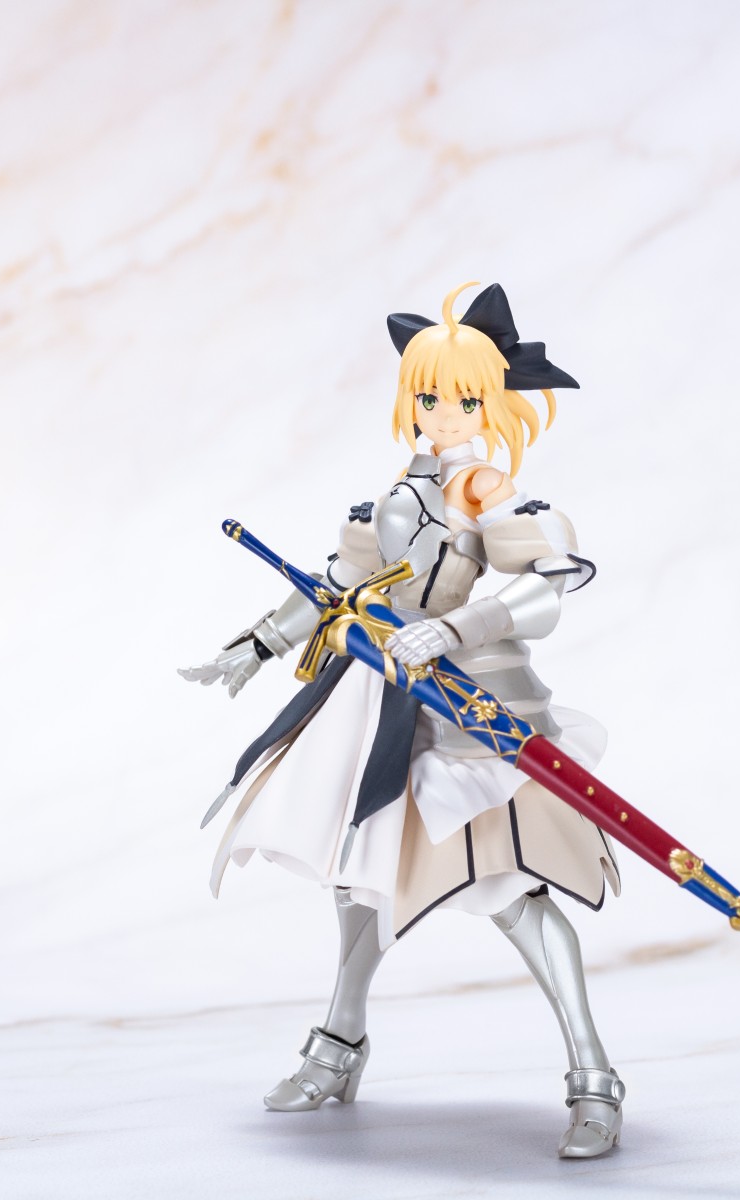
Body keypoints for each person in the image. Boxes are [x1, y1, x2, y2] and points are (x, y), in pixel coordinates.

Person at [179, 281, 625, 1158]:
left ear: (491, 404)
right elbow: (338, 588)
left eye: (464, 400)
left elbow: (550, 584)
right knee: (361, 879)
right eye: (428, 395)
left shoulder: (488, 490)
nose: (443, 414)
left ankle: (594, 1076)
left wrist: (457, 628)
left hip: (470, 707)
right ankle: (339, 1045)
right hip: (381, 700)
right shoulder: (393, 492)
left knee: (514, 890)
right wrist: (258, 644)